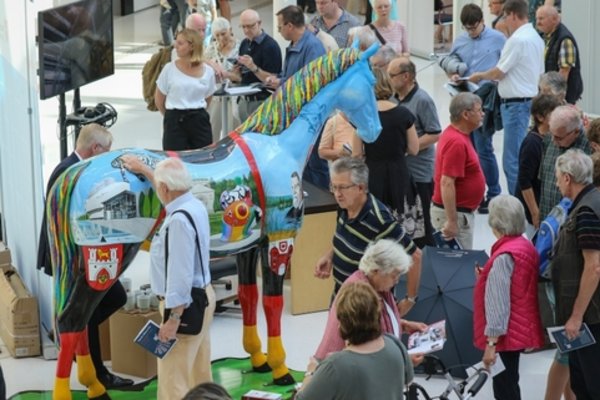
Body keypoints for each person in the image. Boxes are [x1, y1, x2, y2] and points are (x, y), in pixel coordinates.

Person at [36, 124, 133, 389]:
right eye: (106, 151)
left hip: (84, 255)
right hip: (72, 257)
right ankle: (96, 370)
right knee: (88, 311)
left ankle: (75, 337)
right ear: (96, 148)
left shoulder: (73, 167)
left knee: (109, 301)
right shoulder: (68, 170)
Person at [121, 156, 215, 400]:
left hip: (183, 306)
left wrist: (173, 318)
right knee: (200, 374)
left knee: (174, 382)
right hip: (203, 298)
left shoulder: (178, 222)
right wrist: (146, 171)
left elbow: (180, 275)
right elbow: (169, 195)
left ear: (165, 189)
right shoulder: (193, 205)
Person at [314, 157, 422, 317]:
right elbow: (346, 233)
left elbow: (416, 255)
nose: (337, 194)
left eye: (342, 187)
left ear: (361, 187)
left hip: (365, 308)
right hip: (341, 297)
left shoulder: (379, 219)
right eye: (334, 187)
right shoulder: (345, 206)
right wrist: (330, 255)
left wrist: (410, 299)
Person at [469, 0, 544, 196]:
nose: (503, 21)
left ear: (511, 15)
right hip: (527, 101)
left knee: (512, 161)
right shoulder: (535, 37)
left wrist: (479, 76)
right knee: (518, 156)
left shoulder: (517, 40)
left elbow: (499, 72)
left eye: (504, 16)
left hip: (516, 105)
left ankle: (516, 207)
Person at [473, 195, 544, 400]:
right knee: (511, 382)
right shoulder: (524, 246)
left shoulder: (503, 257)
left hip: (505, 334)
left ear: (496, 223)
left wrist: (491, 344)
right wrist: (488, 276)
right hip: (521, 326)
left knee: (504, 388)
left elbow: (498, 303)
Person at [296, 281, 413, 400]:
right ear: (377, 315)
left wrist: (310, 373)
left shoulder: (334, 366)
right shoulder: (395, 343)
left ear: (341, 322)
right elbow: (407, 380)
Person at [314, 239, 426, 361]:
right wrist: (405, 361)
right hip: (346, 369)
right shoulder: (359, 298)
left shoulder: (378, 285)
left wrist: (403, 325)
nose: (397, 281)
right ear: (376, 270)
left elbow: (381, 324)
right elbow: (368, 348)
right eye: (394, 275)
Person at [444, 4, 506, 213]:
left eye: (474, 28)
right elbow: (450, 59)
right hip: (463, 97)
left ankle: (494, 193)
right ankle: (474, 193)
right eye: (467, 28)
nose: (471, 32)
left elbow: (504, 68)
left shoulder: (498, 39)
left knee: (483, 147)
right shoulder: (461, 40)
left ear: (482, 22)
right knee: (466, 147)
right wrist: (454, 71)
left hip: (485, 100)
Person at [551, 149, 600, 399]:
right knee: (581, 384)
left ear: (568, 178)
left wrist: (576, 317)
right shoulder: (588, 202)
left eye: (558, 177)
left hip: (591, 317)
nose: (557, 182)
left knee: (592, 385)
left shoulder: (587, 211)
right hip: (589, 315)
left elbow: (594, 267)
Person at [388, 57, 441, 248]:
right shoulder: (391, 99)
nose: (389, 79)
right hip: (399, 171)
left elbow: (435, 133)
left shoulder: (423, 100)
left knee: (422, 223)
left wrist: (409, 147)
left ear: (406, 76)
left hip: (419, 173)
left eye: (391, 75)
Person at [365, 68, 421, 239]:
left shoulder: (365, 116)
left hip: (373, 175)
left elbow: (356, 154)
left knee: (376, 229)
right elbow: (414, 149)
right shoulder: (403, 114)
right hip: (399, 174)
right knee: (402, 233)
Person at [431, 93, 485, 250]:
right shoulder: (456, 141)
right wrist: (452, 221)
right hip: (454, 216)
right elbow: (447, 182)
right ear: (466, 114)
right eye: (479, 110)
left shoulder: (459, 135)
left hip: (459, 214)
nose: (482, 114)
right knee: (457, 267)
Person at [156, 28, 217, 151]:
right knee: (174, 161)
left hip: (199, 121)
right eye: (176, 42)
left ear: (192, 46)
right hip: (174, 121)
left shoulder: (208, 71)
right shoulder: (169, 69)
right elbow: (159, 99)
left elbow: (208, 98)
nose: (175, 46)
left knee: (202, 158)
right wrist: (171, 116)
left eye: (180, 43)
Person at [515, 94, 561, 231]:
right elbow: (524, 181)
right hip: (534, 210)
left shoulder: (553, 139)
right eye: (554, 114)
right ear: (540, 117)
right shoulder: (532, 143)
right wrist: (535, 213)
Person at [538, 105, 591, 221]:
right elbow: (542, 178)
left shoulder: (590, 147)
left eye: (558, 137)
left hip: (572, 223)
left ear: (576, 131)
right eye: (551, 134)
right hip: (547, 219)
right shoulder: (550, 140)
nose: (553, 141)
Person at [234, 9, 282, 122]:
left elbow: (273, 81)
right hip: (244, 100)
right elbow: (242, 76)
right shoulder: (245, 43)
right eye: (243, 26)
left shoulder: (270, 46)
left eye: (250, 26)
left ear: (259, 23)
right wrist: (233, 73)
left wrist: (253, 67)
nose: (246, 31)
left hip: (262, 102)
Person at [263, 6, 326, 88]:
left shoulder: (313, 46)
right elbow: (289, 75)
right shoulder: (293, 45)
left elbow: (312, 81)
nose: (279, 31)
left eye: (279, 28)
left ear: (290, 26)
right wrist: (276, 78)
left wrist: (281, 83)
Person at [536, 5, 583, 105]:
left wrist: (553, 100)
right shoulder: (543, 37)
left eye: (541, 18)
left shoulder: (565, 40)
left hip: (558, 100)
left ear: (554, 19)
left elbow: (563, 74)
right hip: (546, 96)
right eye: (537, 18)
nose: (538, 22)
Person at [204, 17, 240, 141]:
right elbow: (202, 62)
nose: (220, 38)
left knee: (233, 132)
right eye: (217, 36)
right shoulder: (212, 49)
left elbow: (241, 76)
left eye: (223, 34)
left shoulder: (239, 48)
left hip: (234, 96)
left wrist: (228, 74)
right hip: (215, 96)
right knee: (212, 129)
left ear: (230, 30)